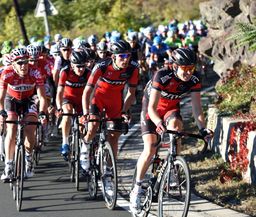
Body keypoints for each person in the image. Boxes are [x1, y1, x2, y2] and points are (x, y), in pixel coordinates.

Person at [129, 47, 213, 214]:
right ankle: (137, 189)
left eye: (191, 68)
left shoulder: (194, 79)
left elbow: (197, 108)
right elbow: (152, 108)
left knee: (176, 128)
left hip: (170, 110)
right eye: (185, 68)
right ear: (175, 66)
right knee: (151, 147)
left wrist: (203, 128)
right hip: (152, 110)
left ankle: (173, 165)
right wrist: (158, 122)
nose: (189, 72)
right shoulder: (162, 75)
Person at [80, 40, 139, 171]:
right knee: (93, 125)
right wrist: (85, 113)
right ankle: (85, 146)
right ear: (113, 56)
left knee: (114, 136)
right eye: (122, 56)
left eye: (128, 56)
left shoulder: (133, 68)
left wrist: (124, 110)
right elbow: (87, 91)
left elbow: (131, 93)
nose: (126, 59)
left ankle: (108, 171)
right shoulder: (101, 66)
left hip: (115, 101)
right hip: (98, 98)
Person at [0, 47, 48, 181]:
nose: (23, 65)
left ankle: (28, 157)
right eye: (19, 63)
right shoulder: (7, 73)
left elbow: (42, 97)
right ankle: (8, 165)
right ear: (13, 64)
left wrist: (43, 113)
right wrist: (1, 112)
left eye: (25, 62)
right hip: (11, 100)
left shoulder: (35, 72)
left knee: (30, 129)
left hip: (28, 100)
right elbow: (0, 98)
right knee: (12, 129)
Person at [56, 50, 91, 160]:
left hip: (82, 101)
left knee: (83, 129)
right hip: (68, 98)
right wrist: (58, 107)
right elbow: (60, 92)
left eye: (83, 66)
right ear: (72, 65)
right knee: (67, 113)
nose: (81, 69)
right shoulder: (65, 71)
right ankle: (65, 142)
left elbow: (93, 93)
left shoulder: (88, 73)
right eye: (78, 66)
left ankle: (83, 152)